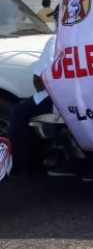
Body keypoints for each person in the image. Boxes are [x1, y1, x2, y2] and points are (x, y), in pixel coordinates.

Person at [9, 35, 55, 175]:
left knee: (20, 111)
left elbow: (39, 79)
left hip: (60, 99)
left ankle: (22, 166)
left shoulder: (56, 39)